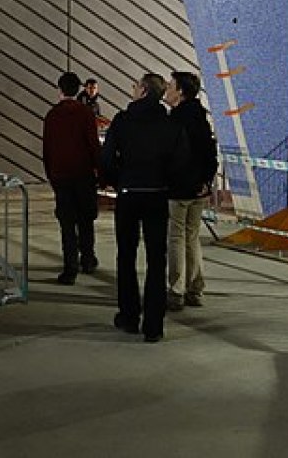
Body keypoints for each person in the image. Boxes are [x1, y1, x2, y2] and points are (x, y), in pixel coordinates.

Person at [101, 72, 190, 343]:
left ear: (142, 91)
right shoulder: (170, 124)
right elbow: (181, 163)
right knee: (156, 259)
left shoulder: (123, 121)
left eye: (135, 85)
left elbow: (106, 158)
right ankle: (154, 324)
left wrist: (118, 181)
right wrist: (166, 184)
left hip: (129, 194)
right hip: (157, 195)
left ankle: (129, 316)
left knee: (126, 256)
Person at [165, 71, 219, 311]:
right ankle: (195, 288)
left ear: (181, 92)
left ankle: (176, 290)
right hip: (199, 188)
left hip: (179, 188)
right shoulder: (201, 118)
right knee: (192, 236)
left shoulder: (176, 119)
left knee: (176, 237)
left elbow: (170, 155)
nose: (167, 89)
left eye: (171, 86)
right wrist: (206, 180)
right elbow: (210, 152)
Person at [42, 71, 102, 285]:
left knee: (67, 223)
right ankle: (88, 259)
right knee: (86, 219)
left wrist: (51, 175)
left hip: (61, 176)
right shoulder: (85, 113)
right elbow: (93, 144)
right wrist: (99, 170)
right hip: (83, 174)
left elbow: (47, 148)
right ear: (79, 89)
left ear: (59, 90)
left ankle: (70, 268)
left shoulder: (52, 115)